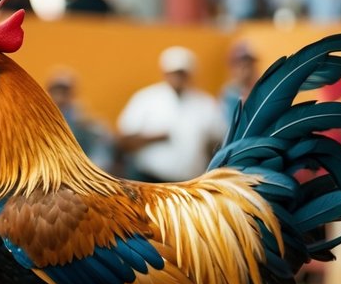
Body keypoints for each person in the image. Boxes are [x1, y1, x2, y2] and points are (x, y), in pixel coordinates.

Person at [116, 46, 227, 183]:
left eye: (182, 73)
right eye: (174, 73)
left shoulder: (205, 104)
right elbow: (123, 140)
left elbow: (218, 140)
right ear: (165, 74)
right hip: (149, 180)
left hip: (189, 183)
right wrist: (155, 137)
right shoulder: (146, 98)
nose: (178, 78)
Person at [46, 70, 114, 169]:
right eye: (56, 92)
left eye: (64, 92)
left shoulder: (81, 115)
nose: (60, 96)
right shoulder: (43, 114)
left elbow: (106, 135)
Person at [219, 41, 258, 128]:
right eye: (241, 65)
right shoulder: (229, 93)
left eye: (249, 64)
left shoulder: (260, 88)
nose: (246, 70)